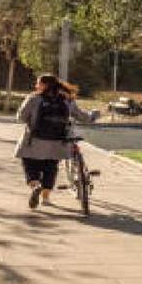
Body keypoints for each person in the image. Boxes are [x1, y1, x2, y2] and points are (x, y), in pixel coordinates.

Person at [15, 74, 98, 209]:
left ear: (43, 85)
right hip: (57, 143)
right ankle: (46, 197)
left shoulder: (34, 98)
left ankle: (36, 186)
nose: (36, 86)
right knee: (50, 168)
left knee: (30, 166)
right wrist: (94, 114)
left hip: (34, 142)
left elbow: (20, 117)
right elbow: (83, 117)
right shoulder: (66, 101)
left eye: (38, 83)